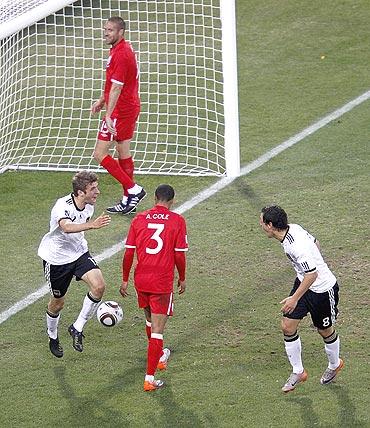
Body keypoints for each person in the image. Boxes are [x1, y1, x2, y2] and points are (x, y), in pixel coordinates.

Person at [259, 205, 343, 393]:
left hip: (322, 290)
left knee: (324, 330)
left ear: (270, 225)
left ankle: (335, 364)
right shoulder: (293, 228)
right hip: (304, 282)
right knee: (287, 326)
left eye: (262, 222)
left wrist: (294, 298)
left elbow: (312, 275)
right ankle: (298, 372)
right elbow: (316, 243)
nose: (261, 226)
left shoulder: (296, 246)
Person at [119, 184, 188, 391]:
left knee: (149, 321)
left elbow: (129, 253)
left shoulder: (139, 219)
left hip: (141, 279)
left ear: (155, 199)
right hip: (161, 282)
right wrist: (182, 278)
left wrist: (124, 279)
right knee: (158, 331)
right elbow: (179, 254)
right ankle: (149, 378)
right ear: (172, 201)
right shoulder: (177, 221)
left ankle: (158, 357)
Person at [38, 171, 111, 358]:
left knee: (99, 286)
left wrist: (90, 226)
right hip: (56, 260)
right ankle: (52, 336)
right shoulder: (62, 206)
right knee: (57, 304)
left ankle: (76, 328)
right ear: (80, 192)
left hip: (78, 254)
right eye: (93, 189)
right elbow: (66, 227)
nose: (98, 192)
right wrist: (92, 226)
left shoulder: (88, 206)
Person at [91, 16, 145, 215]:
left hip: (121, 110)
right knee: (123, 150)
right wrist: (101, 100)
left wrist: (108, 114)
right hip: (128, 106)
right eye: (105, 29)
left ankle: (133, 189)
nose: (106, 33)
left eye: (110, 30)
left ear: (120, 32)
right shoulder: (120, 49)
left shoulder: (121, 54)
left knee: (99, 153)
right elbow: (113, 84)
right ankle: (128, 199)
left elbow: (116, 87)